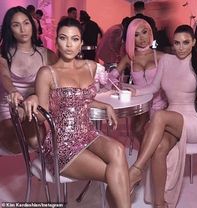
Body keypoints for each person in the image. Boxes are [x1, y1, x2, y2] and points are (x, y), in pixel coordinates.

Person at [24, 17, 131, 208]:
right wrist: (31, 99)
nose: (69, 44)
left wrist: (105, 106)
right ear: (56, 41)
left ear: (81, 43)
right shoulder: (47, 72)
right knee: (114, 173)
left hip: (87, 133)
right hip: (62, 142)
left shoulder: (89, 67)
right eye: (64, 38)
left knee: (119, 150)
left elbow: (82, 101)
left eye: (74, 39)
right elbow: (41, 114)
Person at [128, 24, 197, 208]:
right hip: (173, 119)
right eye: (177, 43)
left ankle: (136, 169)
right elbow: (153, 88)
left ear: (193, 42)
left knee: (160, 116)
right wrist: (133, 92)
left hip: (196, 123)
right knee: (160, 147)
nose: (181, 47)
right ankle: (160, 204)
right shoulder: (166, 61)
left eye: (186, 42)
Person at [0, 6, 57, 154]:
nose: (23, 29)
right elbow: (5, 75)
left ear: (33, 25)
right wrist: (13, 91)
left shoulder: (47, 54)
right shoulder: (4, 54)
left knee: (36, 142)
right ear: (9, 29)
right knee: (16, 146)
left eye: (26, 23)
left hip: (35, 108)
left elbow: (59, 79)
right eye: (16, 25)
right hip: (9, 108)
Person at [109, 18, 167, 144]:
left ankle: (148, 157)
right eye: (136, 34)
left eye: (144, 32)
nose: (142, 38)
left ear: (150, 33)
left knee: (152, 130)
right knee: (139, 129)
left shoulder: (162, 56)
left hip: (160, 104)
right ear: (131, 38)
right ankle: (147, 156)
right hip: (140, 104)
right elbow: (112, 76)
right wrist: (115, 84)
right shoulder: (129, 58)